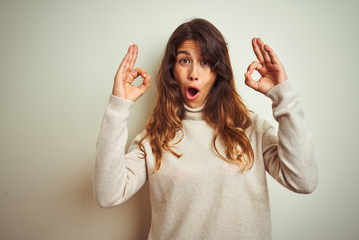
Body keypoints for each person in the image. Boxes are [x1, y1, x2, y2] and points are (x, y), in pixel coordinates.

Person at [94, 18, 318, 240]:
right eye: (184, 60)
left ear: (218, 71)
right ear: (171, 70)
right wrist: (118, 106)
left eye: (205, 62)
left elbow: (303, 180)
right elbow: (107, 195)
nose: (193, 73)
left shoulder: (250, 129)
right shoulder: (154, 139)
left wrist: (283, 94)